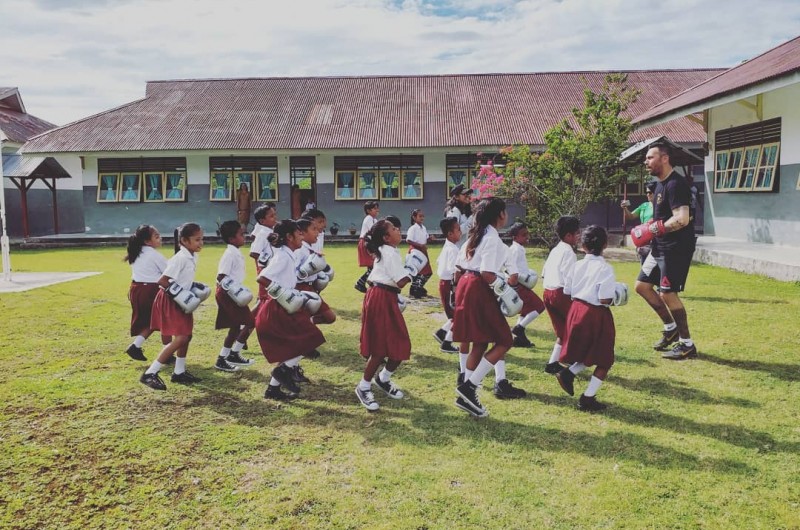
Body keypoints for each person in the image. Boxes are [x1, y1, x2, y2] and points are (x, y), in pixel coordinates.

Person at [453, 197, 523, 417]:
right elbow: (487, 273)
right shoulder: (491, 237)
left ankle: (466, 392)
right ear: (500, 214)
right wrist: (505, 290)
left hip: (468, 283)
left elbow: (463, 266)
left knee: (481, 342)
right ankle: (469, 387)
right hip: (478, 287)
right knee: (505, 340)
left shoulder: (478, 234)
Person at [633, 143, 698, 360]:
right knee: (642, 286)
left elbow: (682, 218)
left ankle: (687, 344)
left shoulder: (675, 184)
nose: (646, 161)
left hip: (675, 248)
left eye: (650, 157)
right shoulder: (660, 185)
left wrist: (655, 228)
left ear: (664, 158)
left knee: (667, 293)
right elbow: (663, 217)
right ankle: (671, 328)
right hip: (659, 246)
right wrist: (650, 225)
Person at [555, 226, 625, 412]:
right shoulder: (605, 268)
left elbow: (567, 291)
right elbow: (604, 299)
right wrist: (618, 294)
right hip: (595, 313)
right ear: (605, 244)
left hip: (576, 309)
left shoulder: (576, 265)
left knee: (589, 351)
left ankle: (568, 373)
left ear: (583, 245)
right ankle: (588, 397)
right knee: (604, 358)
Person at [255, 220, 326, 400]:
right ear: (289, 237)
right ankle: (284, 371)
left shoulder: (289, 254)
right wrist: (282, 293)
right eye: (299, 234)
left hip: (288, 304)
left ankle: (273, 389)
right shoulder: (283, 256)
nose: (302, 237)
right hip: (280, 306)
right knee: (310, 339)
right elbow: (262, 278)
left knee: (295, 346)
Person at [140, 223, 208, 390]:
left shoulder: (191, 256)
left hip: (181, 299)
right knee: (182, 337)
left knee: (187, 335)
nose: (201, 243)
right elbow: (162, 281)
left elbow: (182, 280)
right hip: (172, 300)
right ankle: (150, 373)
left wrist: (192, 288)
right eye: (197, 239)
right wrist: (182, 294)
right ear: (184, 241)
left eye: (202, 239)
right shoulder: (181, 258)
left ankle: (179, 372)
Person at [355, 219, 414, 411]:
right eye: (395, 229)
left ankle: (383, 379)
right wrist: (412, 270)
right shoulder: (389, 253)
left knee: (398, 343)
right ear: (386, 237)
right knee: (380, 348)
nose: (399, 230)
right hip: (380, 298)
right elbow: (402, 281)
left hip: (385, 297)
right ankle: (363, 386)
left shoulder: (389, 251)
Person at [213, 220, 256, 373]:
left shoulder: (235, 251)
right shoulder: (229, 254)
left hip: (232, 292)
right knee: (250, 322)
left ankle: (230, 355)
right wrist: (237, 291)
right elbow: (221, 276)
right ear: (232, 239)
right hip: (228, 293)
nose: (244, 237)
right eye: (241, 234)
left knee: (236, 326)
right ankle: (227, 356)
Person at [541, 216, 580, 374]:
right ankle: (574, 358)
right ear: (568, 236)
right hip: (560, 293)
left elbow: (544, 272)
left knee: (563, 331)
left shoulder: (555, 250)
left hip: (547, 292)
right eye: (577, 233)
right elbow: (568, 278)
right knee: (578, 326)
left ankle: (552, 363)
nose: (579, 236)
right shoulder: (569, 253)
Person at [124, 224, 168, 361]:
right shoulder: (154, 255)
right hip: (151, 290)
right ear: (147, 241)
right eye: (156, 236)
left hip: (136, 289)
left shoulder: (136, 252)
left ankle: (135, 346)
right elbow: (169, 272)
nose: (160, 238)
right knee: (165, 321)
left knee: (151, 322)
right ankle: (167, 353)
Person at [505, 222, 546, 348]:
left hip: (520, 283)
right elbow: (508, 268)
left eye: (527, 233)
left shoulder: (517, 248)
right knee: (539, 306)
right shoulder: (515, 250)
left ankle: (519, 338)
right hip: (518, 285)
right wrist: (516, 282)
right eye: (523, 235)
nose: (527, 237)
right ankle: (519, 328)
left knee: (525, 310)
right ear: (515, 237)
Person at [432, 217, 461, 354]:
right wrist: (456, 289)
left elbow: (439, 262)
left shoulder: (447, 246)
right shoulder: (454, 249)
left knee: (455, 314)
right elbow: (455, 271)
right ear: (450, 234)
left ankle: (442, 332)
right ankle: (447, 343)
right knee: (459, 315)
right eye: (458, 230)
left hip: (444, 283)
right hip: (450, 284)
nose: (460, 233)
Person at [622, 181, 656, 263]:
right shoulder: (644, 205)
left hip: (655, 239)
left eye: (650, 192)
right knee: (644, 266)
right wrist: (625, 208)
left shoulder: (660, 207)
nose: (648, 194)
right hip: (643, 239)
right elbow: (631, 216)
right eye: (646, 192)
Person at [406, 208, 434, 298]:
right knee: (418, 271)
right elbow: (408, 240)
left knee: (427, 272)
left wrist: (430, 239)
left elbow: (425, 239)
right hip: (416, 250)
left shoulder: (423, 228)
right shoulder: (413, 228)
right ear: (414, 217)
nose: (422, 218)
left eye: (423, 216)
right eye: (420, 216)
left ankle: (418, 287)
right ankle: (415, 289)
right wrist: (420, 245)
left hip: (423, 250)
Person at [354, 201, 380, 293]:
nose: (377, 210)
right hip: (366, 242)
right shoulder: (368, 219)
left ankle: (369, 283)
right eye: (375, 208)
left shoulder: (374, 220)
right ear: (368, 210)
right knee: (372, 265)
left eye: (377, 208)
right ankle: (360, 282)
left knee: (372, 265)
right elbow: (372, 232)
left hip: (370, 242)